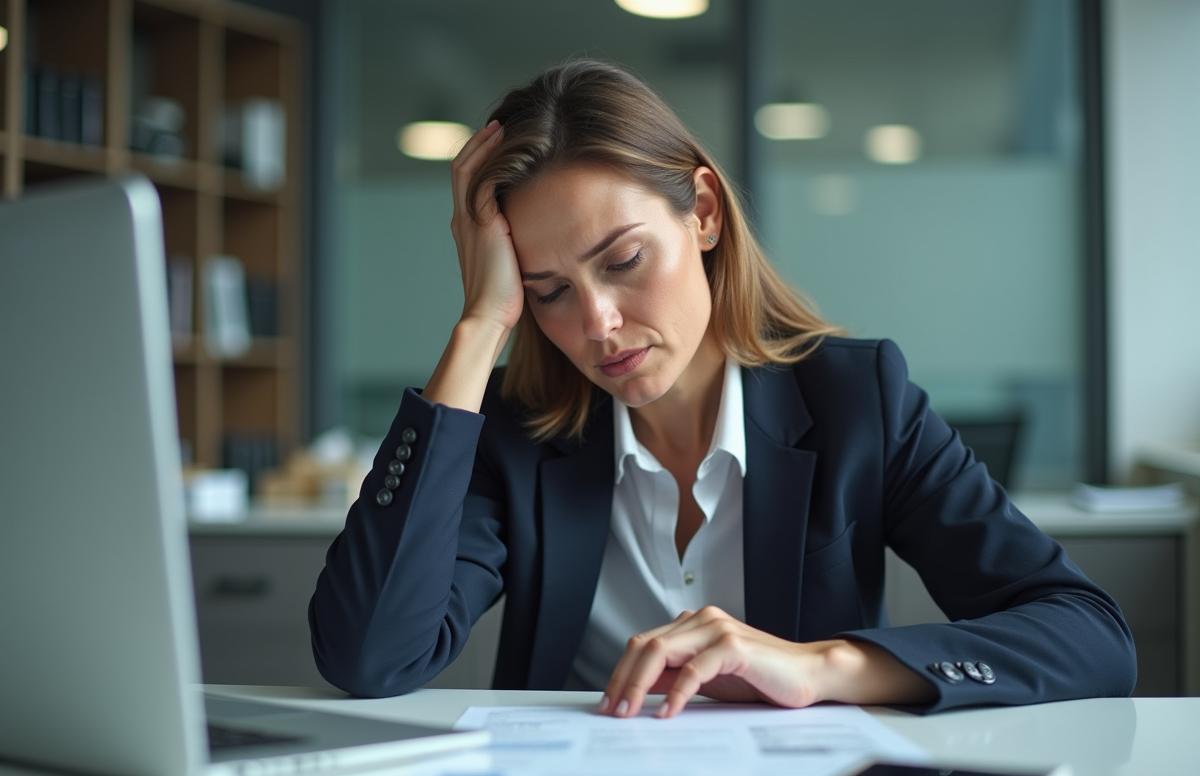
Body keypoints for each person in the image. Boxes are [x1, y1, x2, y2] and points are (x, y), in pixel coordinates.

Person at [309, 60, 1135, 718]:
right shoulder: (514, 431)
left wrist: (821, 666)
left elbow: (1090, 635)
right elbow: (369, 657)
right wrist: (481, 324)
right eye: (548, 291)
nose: (597, 323)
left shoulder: (858, 402)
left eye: (623, 260)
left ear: (702, 212)